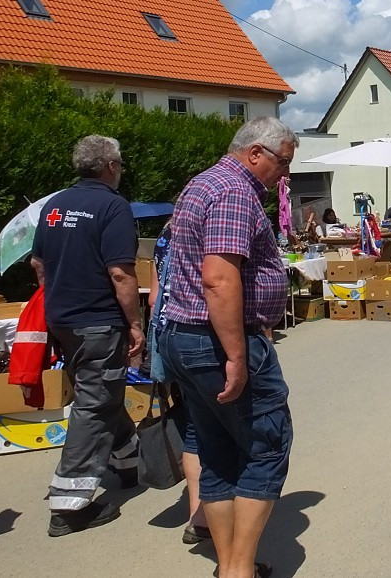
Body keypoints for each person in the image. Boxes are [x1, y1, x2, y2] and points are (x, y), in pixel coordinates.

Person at [159, 116, 296, 578]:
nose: (284, 174)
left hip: (186, 338)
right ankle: (238, 571)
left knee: (217, 451)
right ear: (256, 153)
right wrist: (237, 355)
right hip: (214, 343)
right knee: (266, 445)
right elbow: (218, 278)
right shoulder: (235, 191)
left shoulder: (201, 184)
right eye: (283, 163)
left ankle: (229, 565)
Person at [30, 135, 143, 537]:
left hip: (62, 318)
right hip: (98, 319)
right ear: (110, 166)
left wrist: (57, 298)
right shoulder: (113, 206)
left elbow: (39, 262)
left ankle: (129, 461)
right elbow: (120, 272)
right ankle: (69, 504)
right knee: (95, 403)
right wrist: (134, 323)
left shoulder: (54, 205)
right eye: (122, 164)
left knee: (99, 391)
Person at [147, 223, 209, 545]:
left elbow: (154, 297)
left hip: (168, 336)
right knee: (220, 426)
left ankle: (196, 514)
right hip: (201, 336)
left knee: (193, 427)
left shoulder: (166, 232)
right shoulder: (210, 225)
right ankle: (217, 515)